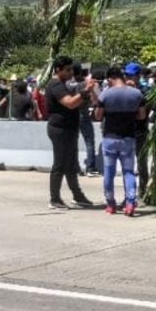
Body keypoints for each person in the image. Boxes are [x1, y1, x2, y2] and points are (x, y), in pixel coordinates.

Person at [93, 66, 145, 216]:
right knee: (128, 172)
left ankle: (110, 204)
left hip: (110, 138)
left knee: (109, 172)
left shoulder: (105, 94)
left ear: (110, 78)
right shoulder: (136, 94)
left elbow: (98, 116)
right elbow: (141, 116)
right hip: (128, 138)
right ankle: (130, 203)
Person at [45, 55, 95, 210]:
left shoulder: (63, 84)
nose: (71, 72)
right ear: (58, 70)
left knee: (71, 164)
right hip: (60, 129)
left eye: (71, 69)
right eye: (67, 70)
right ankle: (54, 199)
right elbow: (70, 104)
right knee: (60, 164)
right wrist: (85, 92)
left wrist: (85, 94)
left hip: (69, 128)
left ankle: (77, 195)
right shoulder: (56, 86)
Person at [124, 61, 150, 198]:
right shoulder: (122, 89)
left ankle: (143, 188)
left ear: (138, 76)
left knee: (141, 162)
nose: (128, 78)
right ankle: (129, 192)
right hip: (126, 130)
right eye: (126, 75)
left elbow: (145, 110)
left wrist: (136, 92)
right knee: (127, 163)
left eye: (131, 76)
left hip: (140, 130)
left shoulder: (145, 90)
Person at [69, 64, 99, 176]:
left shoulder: (67, 85)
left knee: (72, 142)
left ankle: (75, 168)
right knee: (89, 141)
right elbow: (95, 100)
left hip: (71, 115)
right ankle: (90, 168)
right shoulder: (85, 84)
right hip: (84, 114)